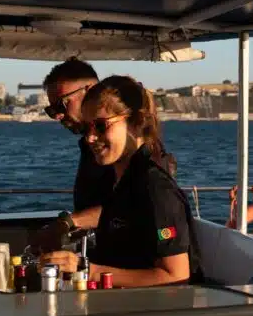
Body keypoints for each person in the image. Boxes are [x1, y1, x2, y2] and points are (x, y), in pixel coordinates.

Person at [40, 75, 202, 287]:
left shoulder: (155, 188)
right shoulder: (121, 182)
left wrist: (85, 269)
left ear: (135, 122)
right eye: (87, 128)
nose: (90, 138)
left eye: (100, 126)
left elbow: (176, 276)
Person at [42, 57, 114, 215]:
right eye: (51, 110)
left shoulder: (126, 143)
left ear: (91, 90)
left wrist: (73, 221)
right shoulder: (89, 145)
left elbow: (132, 206)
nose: (58, 116)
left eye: (62, 104)